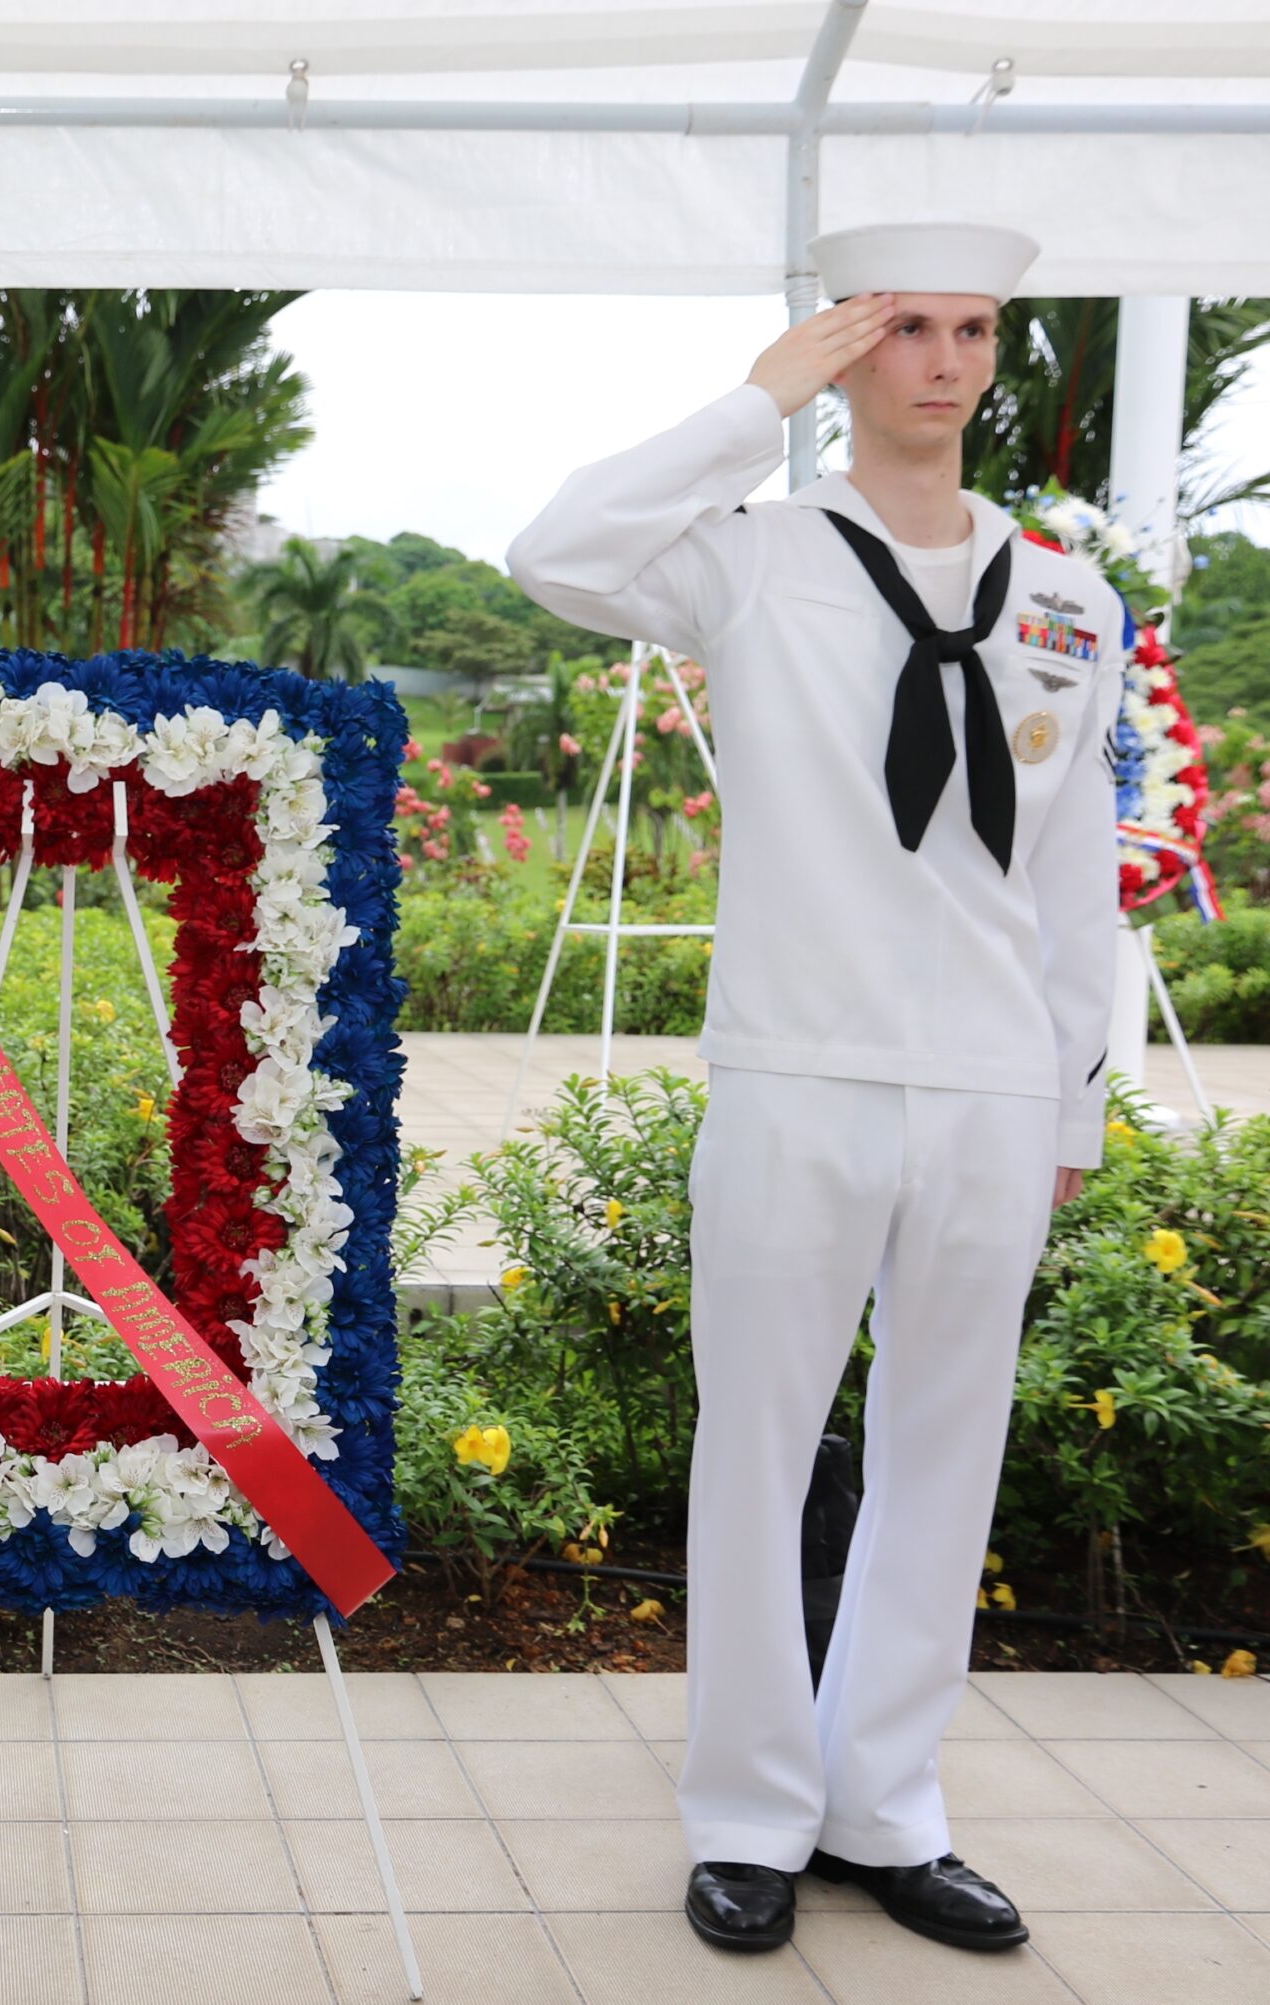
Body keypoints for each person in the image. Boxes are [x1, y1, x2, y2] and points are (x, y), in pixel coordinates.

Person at [507, 222, 1120, 1956]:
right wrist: (747, 404)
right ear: (849, 349)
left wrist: (1068, 1103)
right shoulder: (756, 562)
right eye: (904, 326)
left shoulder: (1070, 602)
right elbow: (555, 549)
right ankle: (753, 1810)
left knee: (950, 1447)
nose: (943, 359)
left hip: (992, 1092)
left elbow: (1075, 883)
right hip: (798, 1073)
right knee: (760, 1445)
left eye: (973, 327)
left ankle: (887, 1807)